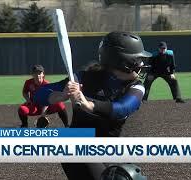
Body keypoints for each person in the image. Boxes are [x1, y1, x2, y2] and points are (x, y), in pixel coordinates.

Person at [33, 31, 151, 179]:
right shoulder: (83, 78)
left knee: (130, 176)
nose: (141, 64)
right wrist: (62, 95)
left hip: (108, 149)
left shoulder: (136, 87)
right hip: (77, 145)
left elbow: (123, 108)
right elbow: (38, 95)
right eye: (137, 60)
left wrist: (88, 104)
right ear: (122, 62)